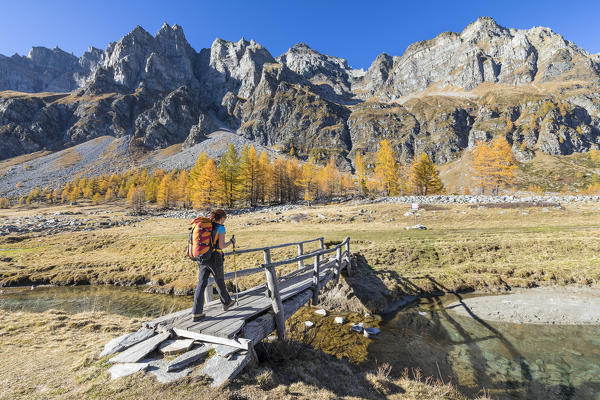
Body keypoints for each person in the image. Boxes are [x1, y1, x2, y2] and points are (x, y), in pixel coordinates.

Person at [191, 209, 236, 321]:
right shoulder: (220, 228)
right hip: (215, 258)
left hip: (203, 257)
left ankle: (196, 313)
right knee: (219, 281)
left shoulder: (207, 226)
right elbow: (221, 246)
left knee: (201, 284)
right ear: (221, 218)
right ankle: (226, 302)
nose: (224, 221)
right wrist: (232, 242)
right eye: (224, 219)